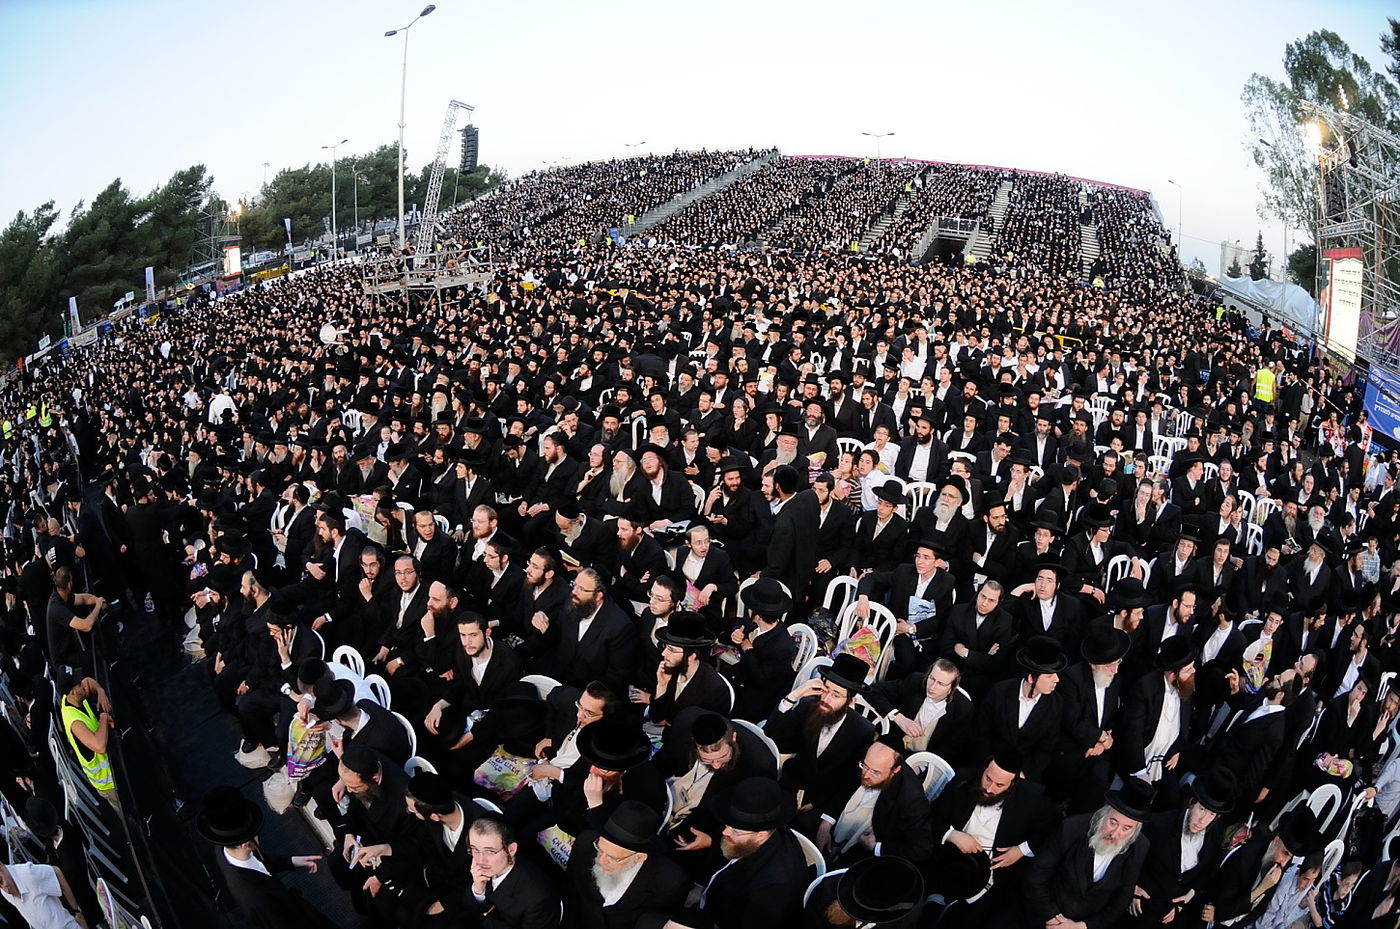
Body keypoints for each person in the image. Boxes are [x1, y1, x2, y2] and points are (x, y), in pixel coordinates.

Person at [644, 777, 810, 929]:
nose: (725, 832)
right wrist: (701, 887)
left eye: (735, 830)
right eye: (728, 825)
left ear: (761, 835)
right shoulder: (760, 831)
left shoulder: (775, 887)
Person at [1021, 778, 1153, 929]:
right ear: (1104, 813)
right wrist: (1053, 919)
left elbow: (1121, 900)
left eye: (1126, 828)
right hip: (1043, 917)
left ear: (1135, 830)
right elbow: (1036, 877)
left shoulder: (1140, 846)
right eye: (1113, 822)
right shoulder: (1071, 828)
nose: (1115, 834)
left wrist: (1082, 926)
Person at [196, 786, 329, 929]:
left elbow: (260, 860)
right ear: (245, 844)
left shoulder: (224, 849)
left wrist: (290, 861)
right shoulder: (255, 899)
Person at [566, 800, 691, 929]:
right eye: (600, 850)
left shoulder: (670, 881)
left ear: (639, 857)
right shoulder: (585, 843)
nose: (601, 860)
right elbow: (570, 892)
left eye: (612, 858)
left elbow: (656, 922)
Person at [463, 816, 562, 929]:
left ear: (511, 850)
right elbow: (467, 907)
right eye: (475, 849)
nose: (480, 860)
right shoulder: (480, 864)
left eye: (490, 851)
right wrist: (478, 890)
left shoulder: (537, 898)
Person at [0, 861, 88, 929]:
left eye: (1, 880)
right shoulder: (4, 891)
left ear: (1, 865)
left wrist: (76, 911)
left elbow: (56, 871)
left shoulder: (28, 873)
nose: (4, 887)